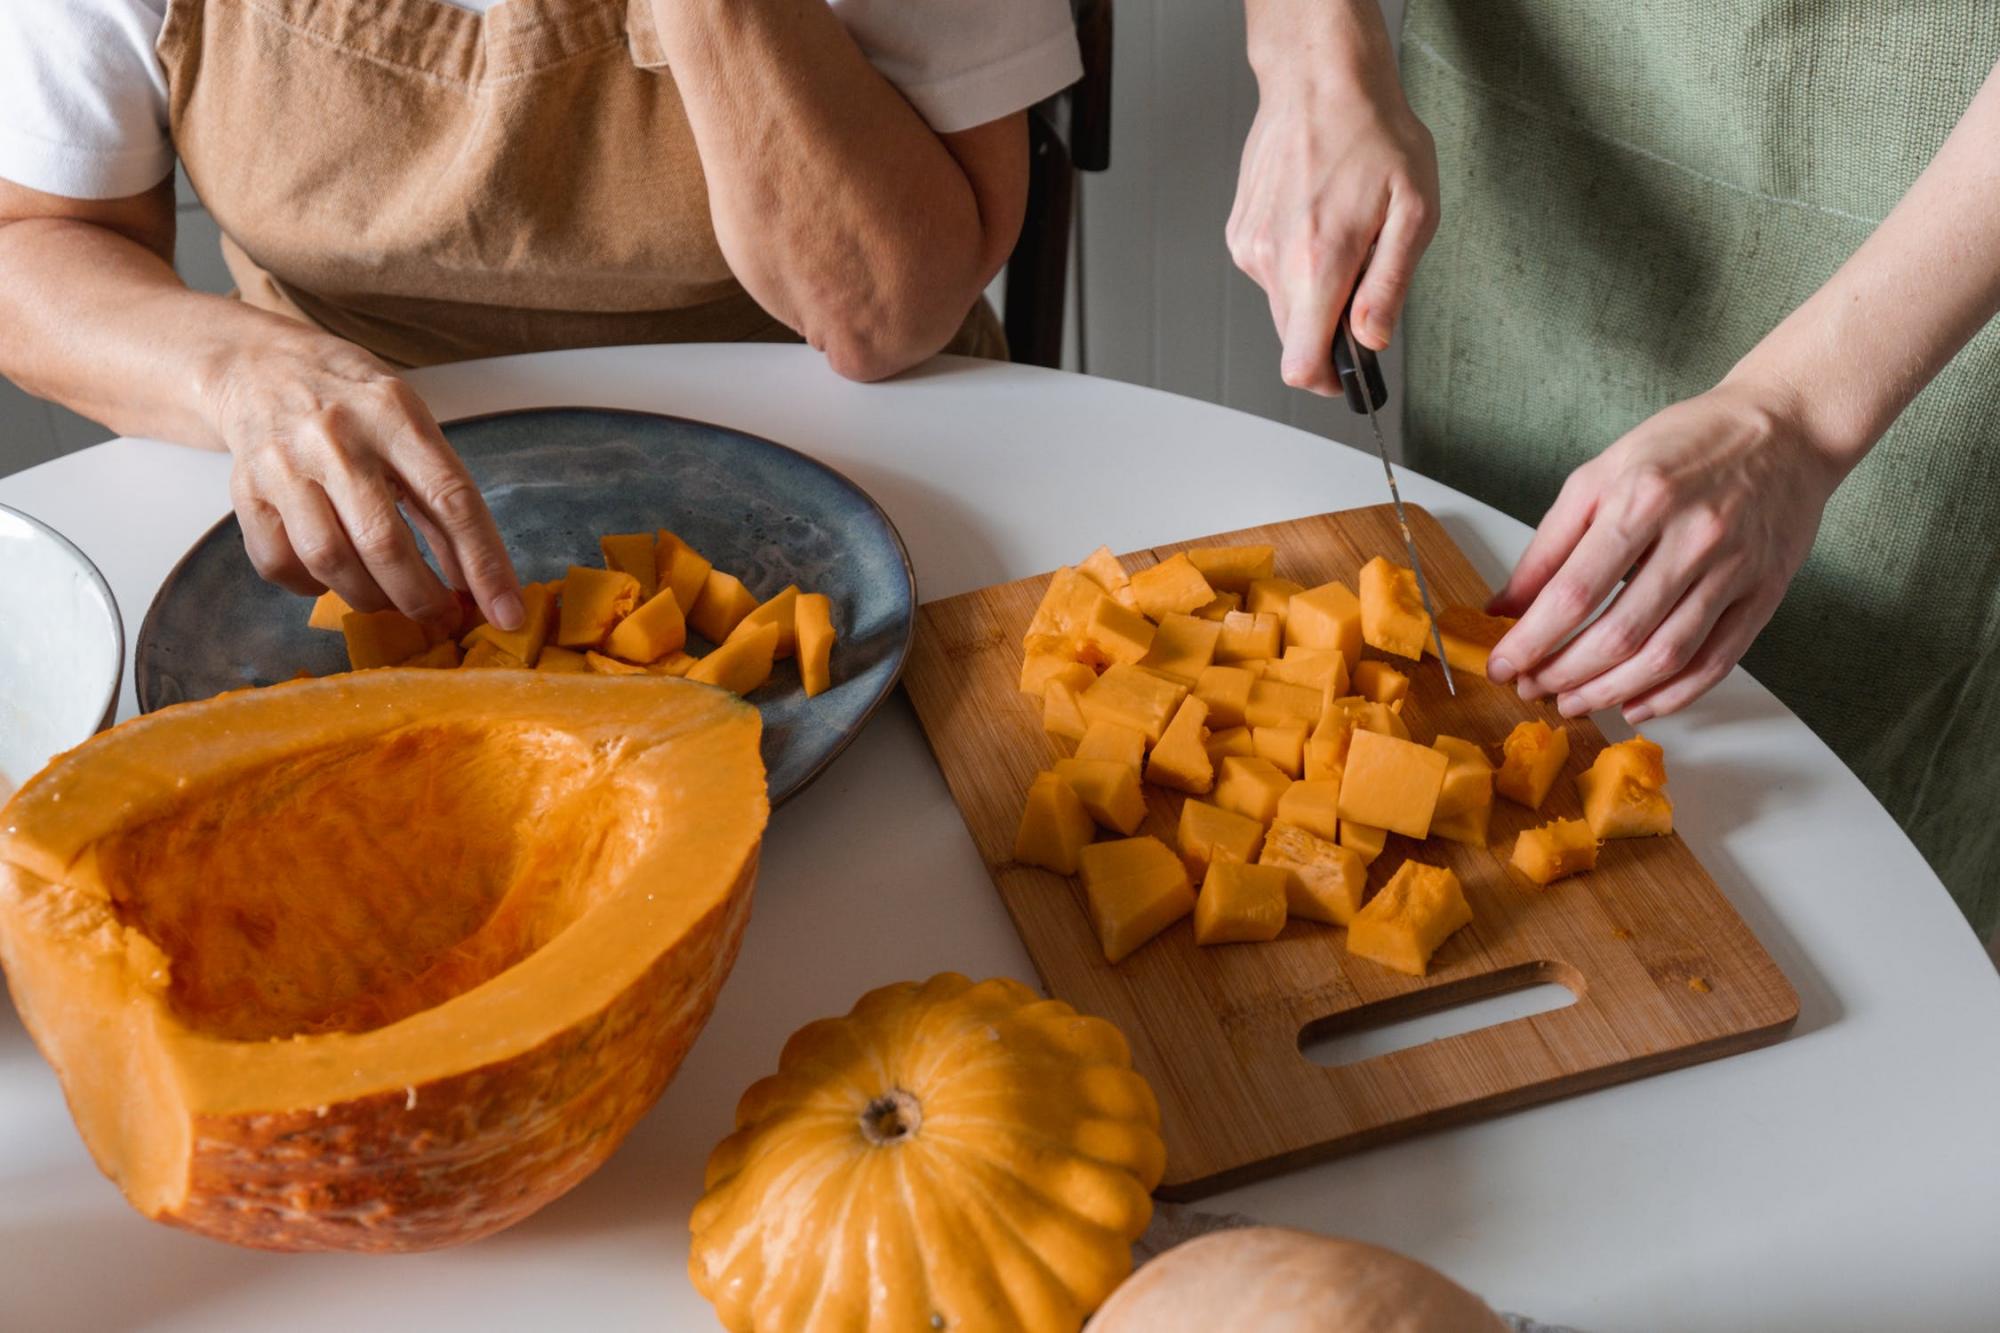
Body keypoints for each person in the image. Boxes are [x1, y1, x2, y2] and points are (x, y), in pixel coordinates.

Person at [1228, 0, 2000, 938]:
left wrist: (1796, 414)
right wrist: (1316, 57)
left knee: (1857, 898)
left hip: (1940, 254)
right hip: (1537, 122)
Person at [0, 0, 1081, 636]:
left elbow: (883, 309)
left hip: (855, 477)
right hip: (362, 531)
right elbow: (30, 245)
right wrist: (241, 371)